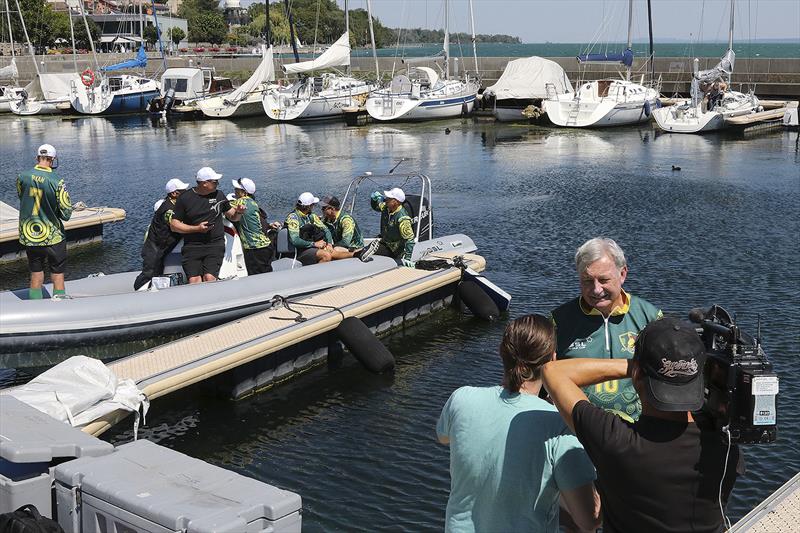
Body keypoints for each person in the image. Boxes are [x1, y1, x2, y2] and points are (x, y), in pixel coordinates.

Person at [542, 317, 743, 533]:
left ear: (638, 376)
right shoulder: (725, 445)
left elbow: (552, 372)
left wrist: (634, 366)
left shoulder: (616, 440)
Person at [436, 315, 600, 533]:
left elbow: (444, 437)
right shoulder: (559, 425)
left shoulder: (461, 398)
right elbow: (588, 520)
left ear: (501, 352)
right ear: (553, 360)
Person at [550, 237, 662, 422]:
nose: (596, 290)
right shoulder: (558, 321)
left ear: (623, 274)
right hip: (577, 427)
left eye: (603, 280)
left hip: (636, 427)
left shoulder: (651, 317)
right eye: (587, 280)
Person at [16, 144, 73, 300]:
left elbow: (22, 197)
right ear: (53, 160)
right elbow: (66, 213)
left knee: (36, 273)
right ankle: (60, 307)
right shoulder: (57, 181)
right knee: (57, 274)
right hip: (53, 236)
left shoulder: (22, 176)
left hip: (30, 235)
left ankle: (35, 308)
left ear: (37, 158)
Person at [169, 167, 245, 284]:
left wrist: (239, 212)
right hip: (192, 245)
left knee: (209, 278)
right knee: (195, 280)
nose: (218, 184)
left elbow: (233, 216)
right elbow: (174, 225)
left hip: (215, 244)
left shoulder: (219, 195)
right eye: (215, 182)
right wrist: (197, 228)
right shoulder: (185, 198)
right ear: (204, 183)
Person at [133, 178, 189, 290]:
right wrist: (196, 228)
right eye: (183, 191)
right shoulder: (167, 209)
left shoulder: (176, 206)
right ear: (174, 193)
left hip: (163, 247)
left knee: (158, 272)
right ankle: (137, 293)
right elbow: (176, 225)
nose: (186, 193)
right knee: (149, 273)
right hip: (155, 248)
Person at [230, 177, 279, 275]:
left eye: (237, 189)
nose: (234, 191)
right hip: (265, 245)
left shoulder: (241, 202)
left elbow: (223, 207)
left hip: (255, 248)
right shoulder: (252, 202)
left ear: (243, 192)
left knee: (257, 277)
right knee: (266, 274)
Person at [319, 195, 379, 262]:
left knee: (336, 249)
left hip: (353, 247)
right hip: (341, 246)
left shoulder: (346, 220)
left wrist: (331, 246)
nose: (322, 210)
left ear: (332, 209)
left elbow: (345, 242)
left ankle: (360, 252)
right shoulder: (327, 220)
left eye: (324, 208)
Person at [369, 187, 415, 266]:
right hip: (386, 243)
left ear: (395, 202)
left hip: (396, 249)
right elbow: (376, 207)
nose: (386, 199)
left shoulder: (402, 219)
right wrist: (373, 200)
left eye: (389, 198)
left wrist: (407, 259)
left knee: (368, 252)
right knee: (367, 249)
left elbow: (409, 239)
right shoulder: (386, 208)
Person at [285, 192, 334, 266]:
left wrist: (329, 244)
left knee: (332, 251)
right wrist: (314, 244)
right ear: (309, 206)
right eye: (313, 205)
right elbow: (295, 240)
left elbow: (326, 230)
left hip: (308, 247)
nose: (313, 207)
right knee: (326, 255)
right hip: (298, 251)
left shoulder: (311, 216)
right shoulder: (293, 218)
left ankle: (353, 255)